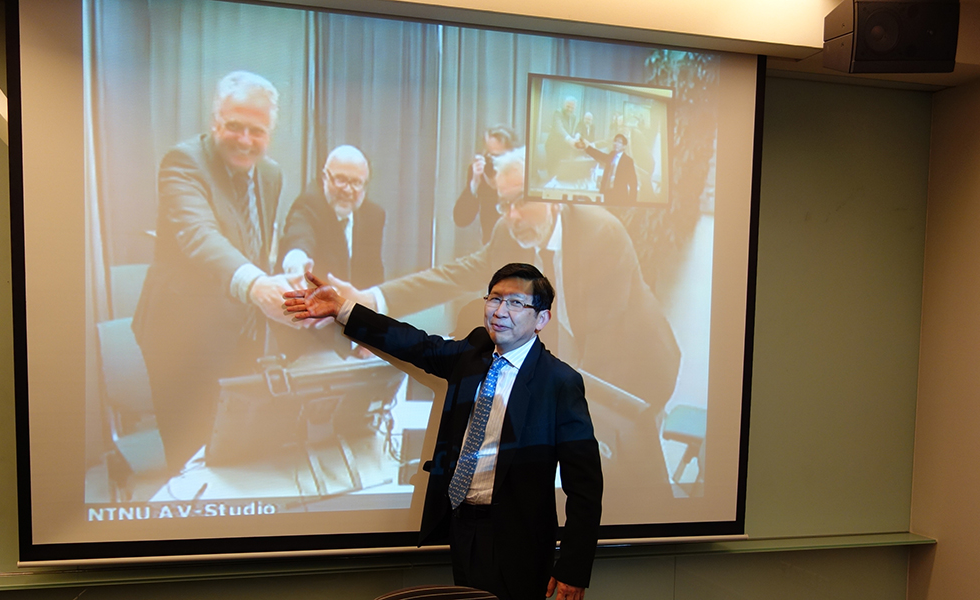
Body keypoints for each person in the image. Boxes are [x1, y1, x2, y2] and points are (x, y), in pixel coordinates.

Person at [327, 148, 680, 510]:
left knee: (636, 480)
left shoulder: (600, 233)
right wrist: (373, 299)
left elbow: (603, 341)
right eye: (502, 204)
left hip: (638, 366)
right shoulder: (508, 231)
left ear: (551, 195)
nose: (511, 216)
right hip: (589, 364)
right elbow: (457, 273)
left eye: (519, 203)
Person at [284, 263, 603, 600]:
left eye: (516, 303)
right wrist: (342, 310)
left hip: (518, 538)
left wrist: (573, 567)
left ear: (541, 319)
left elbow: (585, 485)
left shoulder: (558, 382)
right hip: (463, 526)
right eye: (495, 299)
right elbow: (413, 344)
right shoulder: (472, 355)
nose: (500, 311)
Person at [131, 71, 297, 473]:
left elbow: (255, 245)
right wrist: (257, 284)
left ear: (270, 134)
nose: (244, 140)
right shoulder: (183, 163)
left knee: (234, 458)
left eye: (256, 131)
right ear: (214, 122)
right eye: (234, 127)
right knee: (190, 464)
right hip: (181, 341)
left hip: (240, 336)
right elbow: (199, 237)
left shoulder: (270, 174)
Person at [276, 145, 386, 358]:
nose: (347, 190)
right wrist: (296, 261)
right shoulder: (308, 205)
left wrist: (371, 334)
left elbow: (373, 275)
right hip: (307, 336)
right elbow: (298, 236)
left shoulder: (374, 216)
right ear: (325, 177)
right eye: (340, 180)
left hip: (352, 332)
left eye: (355, 183)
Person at [453, 125, 517, 244]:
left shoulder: (521, 174)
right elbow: (461, 220)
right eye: (489, 156)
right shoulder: (481, 173)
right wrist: (474, 185)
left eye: (499, 157)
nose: (493, 162)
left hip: (520, 247)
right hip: (491, 246)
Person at [577, 133, 638, 204]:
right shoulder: (612, 155)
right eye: (615, 141)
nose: (616, 143)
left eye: (619, 142)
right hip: (607, 194)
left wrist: (632, 202)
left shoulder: (628, 160)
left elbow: (633, 182)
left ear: (624, 146)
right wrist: (586, 148)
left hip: (620, 197)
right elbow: (600, 155)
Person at [544, 97, 578, 179]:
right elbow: (559, 128)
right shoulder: (558, 113)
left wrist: (576, 136)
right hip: (553, 146)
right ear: (564, 105)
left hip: (564, 147)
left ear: (575, 108)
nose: (569, 109)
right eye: (568, 106)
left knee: (562, 172)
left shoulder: (573, 117)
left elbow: (569, 131)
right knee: (552, 172)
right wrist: (569, 139)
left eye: (572, 108)